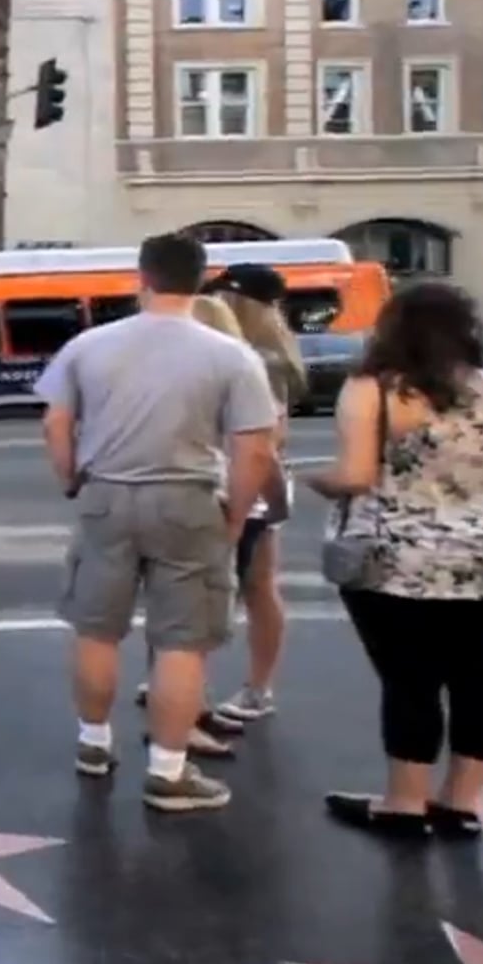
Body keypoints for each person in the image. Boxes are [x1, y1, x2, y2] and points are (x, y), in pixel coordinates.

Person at [36, 232, 276, 813]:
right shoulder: (231, 355)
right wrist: (236, 515)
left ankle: (94, 743)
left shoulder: (88, 346)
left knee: (97, 628)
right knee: (182, 640)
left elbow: (55, 424)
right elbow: (255, 449)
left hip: (106, 495)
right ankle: (169, 772)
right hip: (188, 498)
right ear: (199, 282)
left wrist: (71, 478)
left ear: (142, 277)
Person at [307, 282, 483, 839]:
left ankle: (404, 805)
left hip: (396, 558)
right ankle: (460, 804)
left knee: (410, 683)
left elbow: (355, 476)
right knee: (481, 681)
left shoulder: (375, 389)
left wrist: (315, 479)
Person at [205, 264, 308, 723]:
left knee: (234, 585)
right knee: (255, 584)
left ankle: (246, 686)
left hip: (246, 481)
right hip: (256, 481)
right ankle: (244, 685)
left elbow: (271, 435)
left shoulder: (258, 358)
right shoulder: (259, 352)